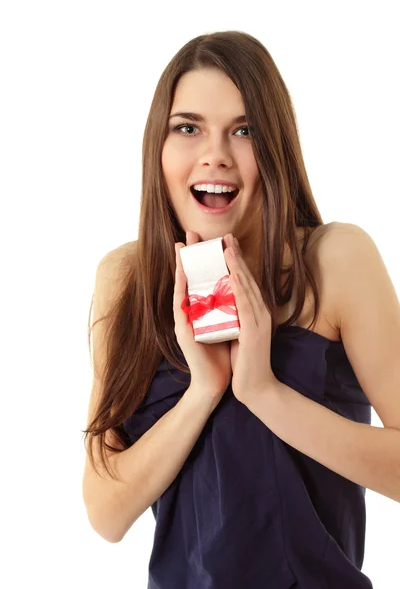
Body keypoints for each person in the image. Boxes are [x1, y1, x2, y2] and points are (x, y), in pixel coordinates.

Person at [82, 30, 399, 588]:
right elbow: (106, 513)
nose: (215, 154)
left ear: (273, 146)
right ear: (158, 145)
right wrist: (204, 392)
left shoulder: (336, 260)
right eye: (188, 128)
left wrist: (263, 392)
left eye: (244, 130)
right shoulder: (125, 280)